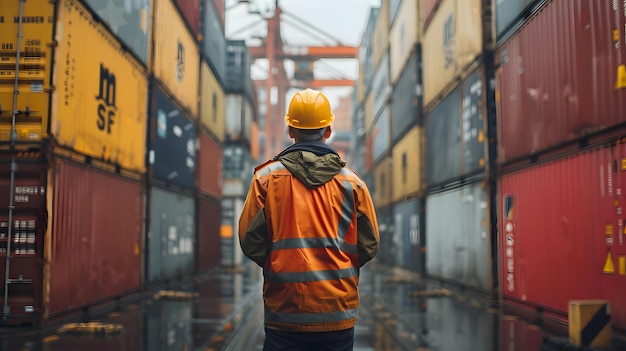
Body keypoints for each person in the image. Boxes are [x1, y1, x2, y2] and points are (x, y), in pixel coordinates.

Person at [238, 88, 380, 351]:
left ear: (291, 130)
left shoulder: (266, 179)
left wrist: (280, 264)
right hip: (337, 312)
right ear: (328, 130)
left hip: (284, 311)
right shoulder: (353, 184)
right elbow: (369, 245)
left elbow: (250, 241)